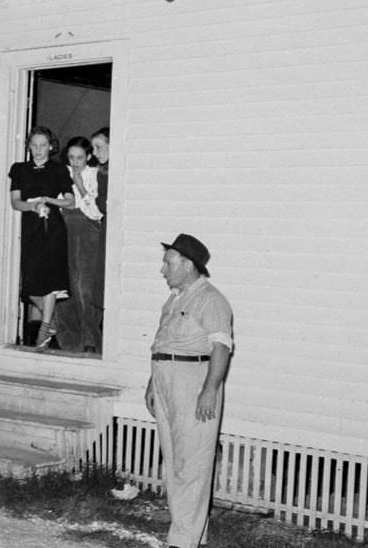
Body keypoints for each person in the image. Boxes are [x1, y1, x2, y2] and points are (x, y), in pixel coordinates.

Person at [145, 234, 233, 548]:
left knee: (191, 464)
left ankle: (182, 541)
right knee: (175, 461)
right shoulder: (176, 299)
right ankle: (193, 534)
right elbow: (163, 343)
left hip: (193, 384)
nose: (162, 270)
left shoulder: (211, 299)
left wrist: (210, 390)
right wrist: (152, 384)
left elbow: (221, 347)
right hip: (166, 383)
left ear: (187, 264)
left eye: (168, 263)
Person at [8, 126, 74, 350]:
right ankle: (52, 323)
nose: (38, 150)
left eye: (43, 145)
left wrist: (48, 199)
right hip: (30, 228)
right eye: (34, 145)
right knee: (29, 285)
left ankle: (45, 329)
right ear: (28, 146)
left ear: (51, 146)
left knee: (50, 282)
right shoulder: (19, 169)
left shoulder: (58, 170)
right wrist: (32, 207)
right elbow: (15, 202)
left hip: (52, 228)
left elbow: (70, 201)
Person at [55, 136, 105, 354]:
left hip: (88, 230)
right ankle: (69, 340)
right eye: (71, 158)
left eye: (80, 158)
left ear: (89, 157)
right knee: (65, 285)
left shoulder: (94, 174)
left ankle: (90, 339)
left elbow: (96, 213)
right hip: (64, 227)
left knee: (84, 286)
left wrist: (80, 185)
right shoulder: (60, 174)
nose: (75, 162)